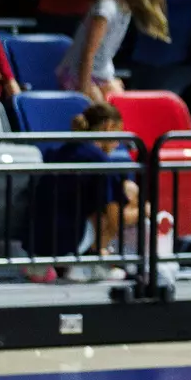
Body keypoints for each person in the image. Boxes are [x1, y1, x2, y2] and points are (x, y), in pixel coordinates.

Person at [25, 102, 142, 283]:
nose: (118, 143)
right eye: (118, 133)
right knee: (116, 204)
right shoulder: (100, 160)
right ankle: (88, 264)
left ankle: (65, 263)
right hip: (67, 241)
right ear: (109, 127)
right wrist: (144, 211)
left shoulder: (56, 152)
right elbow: (115, 219)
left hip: (35, 241)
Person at [56, 0, 169, 102]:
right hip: (78, 75)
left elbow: (104, 54)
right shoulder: (106, 9)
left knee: (121, 105)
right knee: (101, 110)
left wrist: (109, 80)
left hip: (100, 75)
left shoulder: (125, 11)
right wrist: (84, 91)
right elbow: (88, 53)